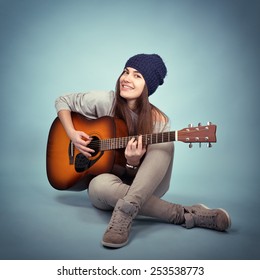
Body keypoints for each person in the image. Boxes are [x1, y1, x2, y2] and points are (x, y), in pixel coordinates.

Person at [55, 53, 231, 248]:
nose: (127, 79)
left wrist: (132, 163)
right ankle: (185, 214)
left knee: (165, 142)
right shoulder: (106, 100)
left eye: (137, 76)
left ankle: (124, 214)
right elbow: (63, 100)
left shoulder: (157, 121)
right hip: (108, 189)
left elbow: (137, 175)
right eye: (126, 72)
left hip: (149, 186)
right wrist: (71, 133)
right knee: (97, 183)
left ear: (148, 86)